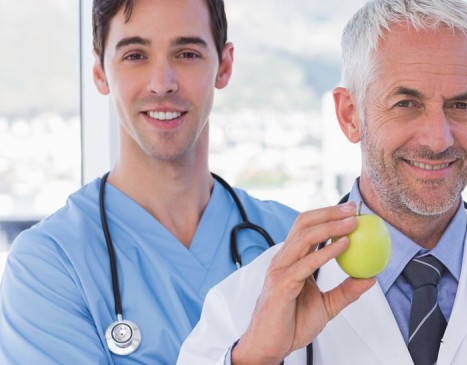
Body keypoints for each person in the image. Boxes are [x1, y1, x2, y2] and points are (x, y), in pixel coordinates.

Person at [178, 0, 467, 364]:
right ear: (350, 115)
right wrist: (255, 358)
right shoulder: (243, 311)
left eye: (461, 105)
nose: (437, 138)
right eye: (406, 103)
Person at [0, 0, 298, 363]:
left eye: (186, 53)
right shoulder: (50, 265)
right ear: (99, 71)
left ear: (225, 65)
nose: (162, 84)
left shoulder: (291, 241)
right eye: (135, 56)